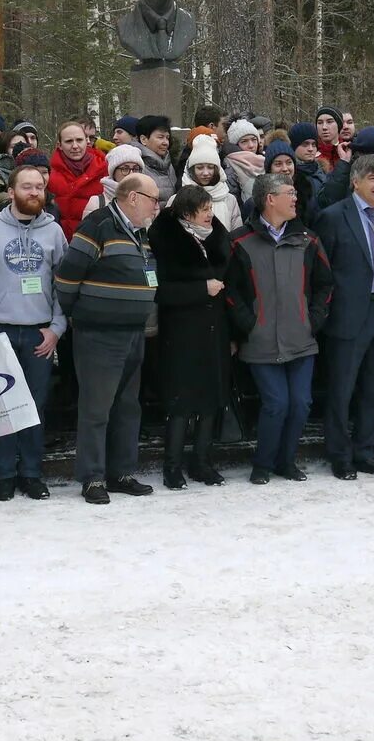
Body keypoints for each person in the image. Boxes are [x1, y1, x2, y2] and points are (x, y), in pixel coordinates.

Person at [0, 164, 68, 501]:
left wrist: (56, 329)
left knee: (35, 408)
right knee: (3, 408)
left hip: (39, 334)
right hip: (0, 334)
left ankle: (32, 474)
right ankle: (5, 474)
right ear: (10, 192)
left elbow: (62, 287)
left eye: (39, 187)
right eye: (27, 187)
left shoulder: (54, 233)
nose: (34, 193)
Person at [55, 173, 161, 504]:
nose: (157, 206)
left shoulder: (141, 234)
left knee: (128, 407)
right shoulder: (98, 226)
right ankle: (93, 477)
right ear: (133, 198)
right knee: (96, 408)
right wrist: (85, 313)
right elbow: (67, 278)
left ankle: (122, 472)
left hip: (133, 332)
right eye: (154, 200)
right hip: (99, 334)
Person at [228, 173, 333, 483]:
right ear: (270, 199)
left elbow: (325, 285)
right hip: (260, 341)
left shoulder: (308, 239)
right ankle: (262, 464)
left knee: (301, 403)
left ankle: (286, 462)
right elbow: (230, 292)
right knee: (276, 403)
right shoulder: (239, 242)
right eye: (289, 193)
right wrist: (249, 324)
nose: (295, 198)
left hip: (301, 338)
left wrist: (313, 319)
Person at [314, 154, 374, 479]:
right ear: (356, 181)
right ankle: (339, 455)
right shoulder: (334, 217)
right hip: (348, 317)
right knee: (341, 390)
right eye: (373, 179)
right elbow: (321, 273)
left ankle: (366, 451)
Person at [148, 185, 232, 488]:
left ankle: (201, 461)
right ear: (186, 213)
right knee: (181, 400)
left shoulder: (216, 237)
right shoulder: (166, 241)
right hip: (181, 331)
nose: (210, 215)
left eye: (211, 208)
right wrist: (201, 289)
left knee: (212, 398)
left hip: (215, 328)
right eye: (204, 209)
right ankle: (172, 465)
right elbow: (161, 291)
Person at [317, 126, 374, 214]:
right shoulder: (344, 173)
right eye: (369, 155)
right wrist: (344, 163)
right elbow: (326, 203)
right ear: (359, 154)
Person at [47, 120, 108, 240]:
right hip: (61, 243)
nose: (75, 146)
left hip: (95, 242)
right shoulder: (49, 174)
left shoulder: (104, 170)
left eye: (79, 140)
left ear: (87, 141)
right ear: (59, 145)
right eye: (69, 141)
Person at [83, 144, 144, 218]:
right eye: (125, 169)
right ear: (113, 172)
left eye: (135, 169)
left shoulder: (147, 199)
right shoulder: (97, 203)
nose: (131, 173)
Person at [136, 115, 177, 202]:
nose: (166, 142)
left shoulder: (168, 162)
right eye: (160, 137)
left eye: (167, 138)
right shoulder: (136, 165)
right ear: (144, 139)